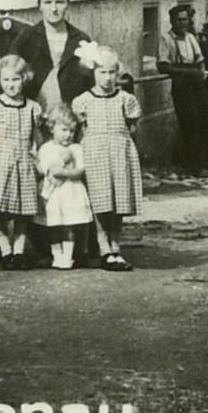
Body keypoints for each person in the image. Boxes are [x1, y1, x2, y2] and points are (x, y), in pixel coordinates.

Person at [0, 53, 46, 269]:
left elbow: (37, 138)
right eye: (6, 80)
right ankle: (6, 253)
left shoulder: (32, 108)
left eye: (15, 79)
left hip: (23, 163)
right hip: (1, 163)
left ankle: (19, 253)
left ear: (24, 79)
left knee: (23, 212)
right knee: (1, 212)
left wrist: (33, 155)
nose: (10, 85)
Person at [72, 57, 145, 268]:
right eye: (102, 72)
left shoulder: (125, 99)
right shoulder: (83, 101)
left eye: (112, 72)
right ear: (93, 73)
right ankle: (104, 248)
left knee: (118, 201)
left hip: (119, 153)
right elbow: (80, 131)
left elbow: (132, 128)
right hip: (95, 154)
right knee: (100, 201)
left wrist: (123, 147)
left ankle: (116, 246)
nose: (108, 78)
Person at [160, 1, 208, 171]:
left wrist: (201, 73)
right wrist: (187, 72)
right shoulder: (166, 39)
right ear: (172, 22)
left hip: (196, 84)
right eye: (178, 20)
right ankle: (193, 165)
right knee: (189, 123)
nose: (182, 23)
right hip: (181, 85)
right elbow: (163, 66)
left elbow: (199, 59)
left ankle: (207, 162)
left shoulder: (190, 37)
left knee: (204, 119)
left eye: (185, 19)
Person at [31, 0, 98, 109]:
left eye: (59, 2)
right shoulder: (27, 38)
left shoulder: (80, 39)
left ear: (67, 4)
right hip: (36, 112)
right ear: (39, 6)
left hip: (71, 112)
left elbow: (91, 81)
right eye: (47, 2)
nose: (54, 9)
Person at [38, 113, 93, 269]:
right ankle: (57, 256)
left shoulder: (76, 148)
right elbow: (43, 169)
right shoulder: (46, 148)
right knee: (54, 225)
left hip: (71, 191)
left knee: (69, 224)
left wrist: (64, 172)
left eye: (72, 131)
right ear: (52, 128)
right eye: (64, 130)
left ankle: (68, 257)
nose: (68, 135)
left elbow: (80, 170)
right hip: (53, 193)